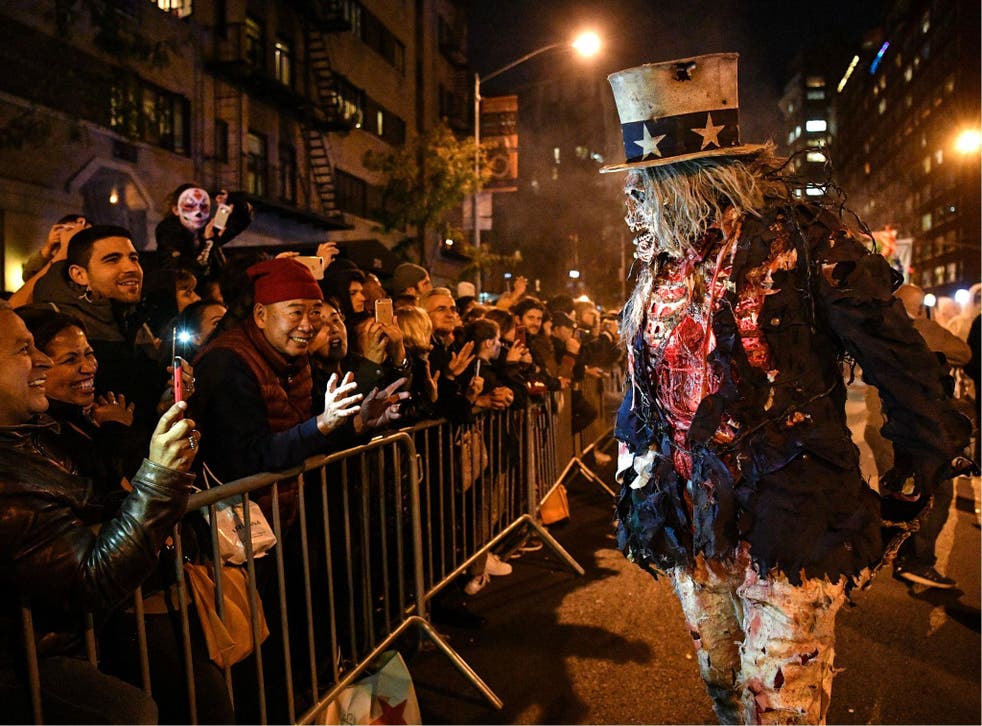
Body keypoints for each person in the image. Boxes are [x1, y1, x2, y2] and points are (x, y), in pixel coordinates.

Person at [602, 54, 971, 724]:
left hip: (791, 512)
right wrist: (635, 469)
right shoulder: (660, 267)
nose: (635, 197)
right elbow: (645, 391)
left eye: (646, 181)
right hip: (693, 520)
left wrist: (910, 480)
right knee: (721, 680)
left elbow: (905, 369)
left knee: (780, 701)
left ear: (692, 178)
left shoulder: (807, 245)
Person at [0, 301, 198, 724]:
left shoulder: (30, 439)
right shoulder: (10, 470)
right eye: (23, 350)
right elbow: (90, 575)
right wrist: (158, 478)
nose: (43, 360)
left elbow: (94, 500)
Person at [864, 283, 971, 588]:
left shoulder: (875, 329)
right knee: (934, 490)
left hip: (880, 422)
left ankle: (880, 552)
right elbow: (963, 352)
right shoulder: (922, 329)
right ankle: (916, 560)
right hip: (916, 426)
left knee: (895, 489)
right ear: (919, 307)